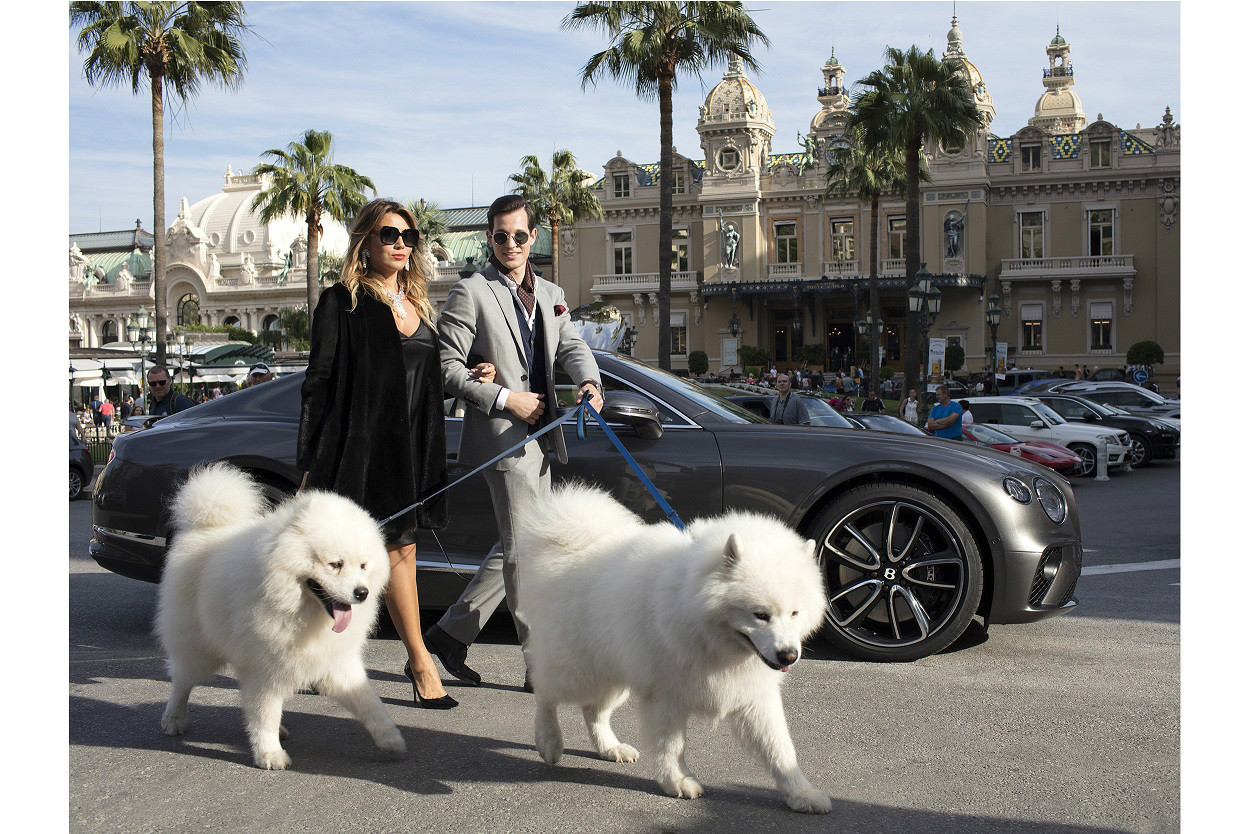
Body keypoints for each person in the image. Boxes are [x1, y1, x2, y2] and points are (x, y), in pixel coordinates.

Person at [300, 198, 497, 710]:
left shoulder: (418, 304)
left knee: (401, 551)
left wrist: (476, 375)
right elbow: (317, 385)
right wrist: (310, 463)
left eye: (408, 236)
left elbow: (422, 378)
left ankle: (400, 659)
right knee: (366, 560)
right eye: (389, 235)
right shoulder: (341, 301)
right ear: (365, 241)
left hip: (412, 448)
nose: (400, 244)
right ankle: (418, 660)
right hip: (361, 451)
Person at [423, 194, 602, 693]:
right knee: (528, 551)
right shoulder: (471, 291)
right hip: (503, 439)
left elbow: (572, 345)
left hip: (545, 439)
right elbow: (446, 368)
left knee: (518, 544)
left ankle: (452, 633)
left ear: (532, 237)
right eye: (500, 236)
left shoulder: (550, 291)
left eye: (519, 235)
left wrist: (589, 383)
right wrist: (505, 398)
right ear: (489, 238)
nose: (510, 244)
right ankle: (539, 664)